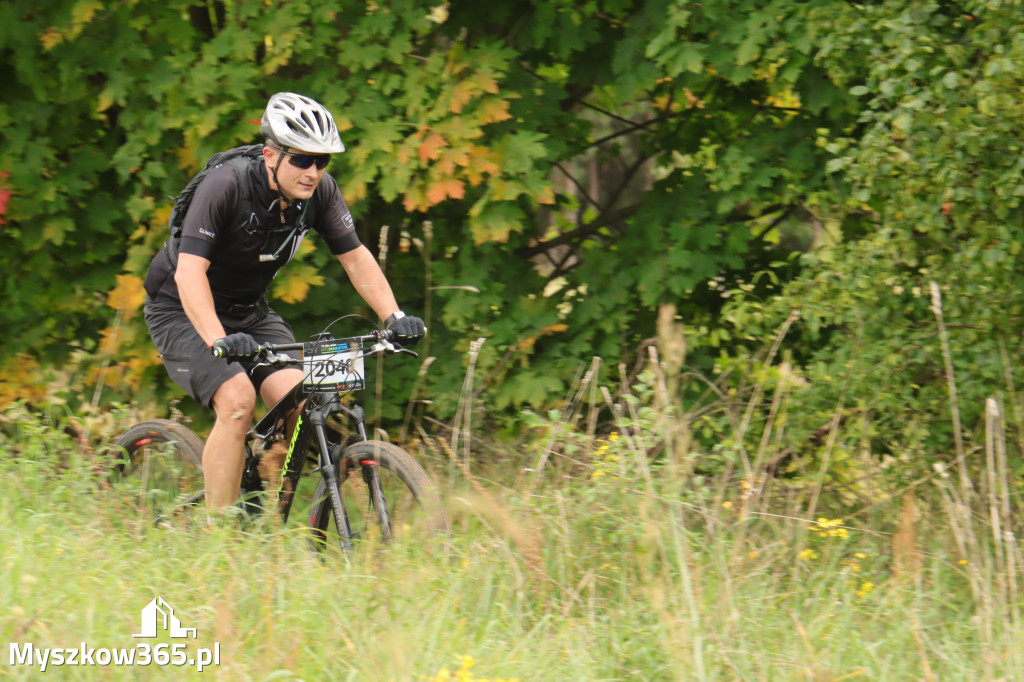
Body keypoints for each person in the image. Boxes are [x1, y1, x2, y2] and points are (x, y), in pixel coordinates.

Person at [142, 92, 425, 511]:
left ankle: (265, 494)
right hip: (182, 308)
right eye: (302, 159)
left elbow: (355, 257)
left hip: (247, 310)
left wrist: (394, 316)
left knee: (302, 397)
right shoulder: (226, 185)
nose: (313, 171)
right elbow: (189, 272)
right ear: (271, 154)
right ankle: (218, 535)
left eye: (322, 161)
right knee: (238, 401)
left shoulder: (320, 192)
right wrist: (218, 338)